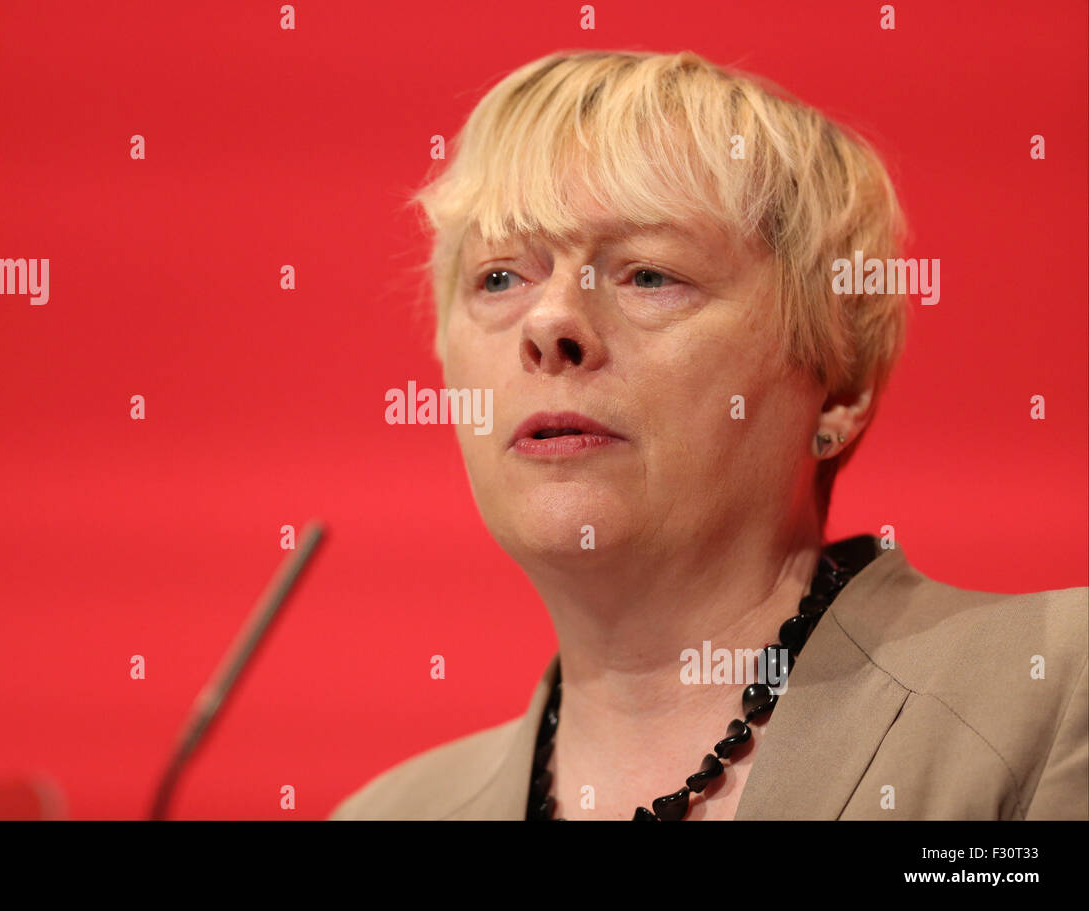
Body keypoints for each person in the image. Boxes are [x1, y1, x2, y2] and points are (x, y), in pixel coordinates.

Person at [329, 50, 1088, 820]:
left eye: (649, 274)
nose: (550, 322)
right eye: (499, 277)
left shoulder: (1054, 692)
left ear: (839, 385)